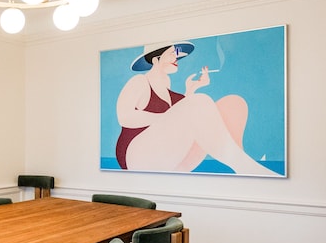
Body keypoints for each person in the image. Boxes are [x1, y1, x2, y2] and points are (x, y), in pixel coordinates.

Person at [115, 42, 273, 175]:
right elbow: (125, 117)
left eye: (176, 53)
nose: (176, 57)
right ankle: (245, 167)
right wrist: (170, 116)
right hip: (137, 156)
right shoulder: (140, 81)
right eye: (171, 53)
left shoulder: (170, 91)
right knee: (199, 101)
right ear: (156, 59)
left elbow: (183, 121)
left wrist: (191, 90)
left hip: (169, 156)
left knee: (232, 104)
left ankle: (240, 166)